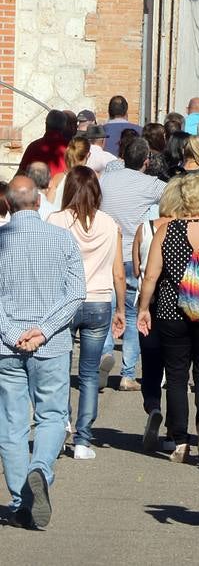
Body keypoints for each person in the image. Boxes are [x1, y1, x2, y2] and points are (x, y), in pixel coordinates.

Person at [0, 176, 86, 529]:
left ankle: (22, 498)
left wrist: (13, 332)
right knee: (51, 416)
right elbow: (76, 293)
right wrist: (45, 330)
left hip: (7, 346)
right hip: (50, 345)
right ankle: (40, 470)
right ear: (38, 202)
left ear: (7, 204)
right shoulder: (63, 238)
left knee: (12, 423)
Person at [137, 173, 199, 463]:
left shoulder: (167, 231)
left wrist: (144, 308)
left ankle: (179, 440)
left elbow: (151, 276)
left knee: (177, 374)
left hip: (171, 310)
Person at [47, 166, 126, 460]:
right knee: (90, 374)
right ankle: (83, 439)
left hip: (64, 301)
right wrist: (120, 308)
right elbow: (119, 272)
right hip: (99, 301)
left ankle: (60, 424)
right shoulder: (109, 223)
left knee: (59, 371)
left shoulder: (56, 221)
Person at [99, 137, 166, 390]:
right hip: (133, 255)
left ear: (124, 158)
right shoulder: (151, 184)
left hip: (107, 252)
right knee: (132, 312)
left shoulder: (105, 179)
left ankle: (104, 354)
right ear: (146, 161)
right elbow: (172, 197)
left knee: (107, 309)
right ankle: (127, 374)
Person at [132, 177, 184, 452]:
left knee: (151, 365)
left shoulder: (146, 229)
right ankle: (174, 433)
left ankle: (152, 406)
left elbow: (137, 267)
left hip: (148, 304)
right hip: (177, 306)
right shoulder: (186, 231)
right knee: (176, 371)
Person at [18, 109, 69, 176]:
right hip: (62, 185)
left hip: (36, 185)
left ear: (46, 124)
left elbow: (22, 172)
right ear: (64, 127)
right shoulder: (70, 147)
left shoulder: (34, 146)